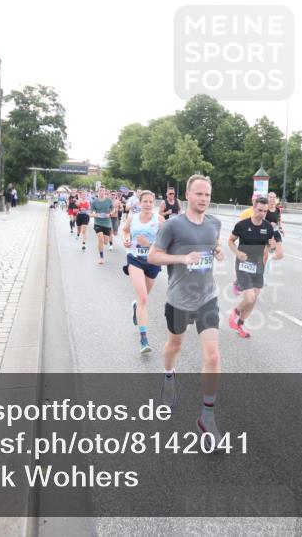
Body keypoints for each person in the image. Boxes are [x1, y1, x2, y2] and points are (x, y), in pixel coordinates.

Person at [148, 174, 224, 441]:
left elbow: (211, 245)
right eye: (199, 194)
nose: (204, 199)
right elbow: (153, 255)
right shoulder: (172, 226)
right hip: (179, 299)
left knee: (213, 355)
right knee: (174, 347)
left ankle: (207, 417)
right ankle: (169, 378)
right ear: (188, 196)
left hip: (207, 297)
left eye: (207, 194)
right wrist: (182, 257)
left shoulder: (215, 223)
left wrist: (216, 251)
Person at [227, 196, 278, 339]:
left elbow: (269, 247)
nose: (262, 213)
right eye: (260, 210)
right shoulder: (242, 225)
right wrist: (237, 252)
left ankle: (240, 325)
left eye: (265, 211)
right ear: (254, 208)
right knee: (249, 298)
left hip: (258, 265)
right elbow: (230, 241)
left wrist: (272, 247)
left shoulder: (268, 227)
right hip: (243, 264)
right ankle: (235, 313)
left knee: (254, 298)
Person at [121, 190, 164, 354]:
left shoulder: (160, 221)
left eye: (150, 202)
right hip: (135, 259)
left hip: (152, 261)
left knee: (142, 300)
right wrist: (125, 239)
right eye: (145, 201)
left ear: (154, 204)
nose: (147, 204)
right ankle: (144, 339)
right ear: (139, 203)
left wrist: (148, 244)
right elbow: (125, 230)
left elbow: (165, 244)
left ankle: (136, 307)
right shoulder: (132, 218)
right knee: (143, 298)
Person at [90, 186, 114, 265]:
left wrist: (110, 214)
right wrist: (94, 214)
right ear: (98, 192)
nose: (101, 192)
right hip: (98, 223)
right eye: (100, 191)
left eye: (103, 191)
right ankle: (101, 257)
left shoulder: (109, 201)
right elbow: (91, 212)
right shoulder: (94, 202)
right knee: (100, 239)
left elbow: (113, 209)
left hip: (107, 223)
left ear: (105, 192)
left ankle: (100, 246)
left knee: (106, 242)